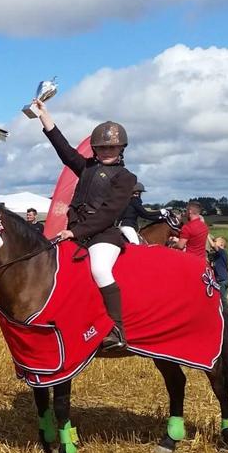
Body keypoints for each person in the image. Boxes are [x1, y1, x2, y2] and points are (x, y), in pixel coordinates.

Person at [32, 98, 136, 351]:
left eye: (112, 148)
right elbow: (64, 150)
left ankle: (117, 330)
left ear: (121, 149)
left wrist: (74, 231)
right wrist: (45, 117)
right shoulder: (87, 167)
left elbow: (108, 214)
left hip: (103, 236)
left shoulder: (126, 177)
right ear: (94, 149)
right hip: (76, 235)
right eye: (101, 148)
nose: (106, 152)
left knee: (100, 270)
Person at [208, 236, 228, 313]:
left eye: (215, 241)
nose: (214, 242)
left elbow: (213, 246)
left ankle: (226, 316)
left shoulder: (222, 252)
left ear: (221, 244)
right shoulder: (216, 255)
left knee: (222, 300)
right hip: (221, 279)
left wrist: (207, 234)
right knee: (220, 299)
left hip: (223, 279)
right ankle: (223, 314)